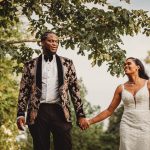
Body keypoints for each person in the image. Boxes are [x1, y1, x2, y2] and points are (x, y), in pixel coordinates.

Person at [16, 31, 89, 150]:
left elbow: (75, 89)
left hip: (60, 111)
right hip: (38, 112)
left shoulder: (67, 63)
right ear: (42, 43)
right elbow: (24, 91)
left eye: (56, 41)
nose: (54, 44)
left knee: (65, 146)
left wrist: (80, 114)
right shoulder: (30, 65)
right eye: (50, 41)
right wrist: (20, 114)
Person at [87, 57, 150, 150]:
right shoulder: (121, 88)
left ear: (138, 67)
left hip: (145, 125)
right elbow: (109, 111)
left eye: (129, 63)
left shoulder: (148, 84)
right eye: (124, 64)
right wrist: (89, 121)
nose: (126, 66)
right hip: (127, 126)